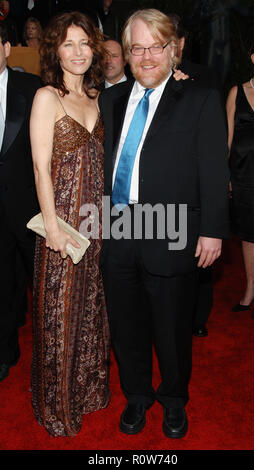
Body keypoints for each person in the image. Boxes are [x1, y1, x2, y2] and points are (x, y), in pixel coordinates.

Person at [99, 8, 229, 438]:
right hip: (117, 228)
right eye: (138, 47)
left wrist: (212, 229)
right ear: (128, 54)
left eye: (156, 46)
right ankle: (137, 396)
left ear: (173, 50)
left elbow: (213, 168)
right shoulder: (111, 99)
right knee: (126, 324)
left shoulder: (201, 98)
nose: (147, 56)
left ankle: (174, 399)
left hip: (172, 230)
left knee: (172, 328)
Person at [30, 11, 110, 437]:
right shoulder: (47, 97)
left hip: (96, 227)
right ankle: (58, 406)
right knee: (58, 316)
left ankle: (88, 391)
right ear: (55, 51)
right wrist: (54, 229)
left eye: (84, 43)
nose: (78, 52)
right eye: (68, 44)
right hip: (62, 229)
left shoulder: (99, 97)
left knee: (90, 311)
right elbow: (41, 169)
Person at [169, 12, 222, 338]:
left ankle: (198, 318)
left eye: (169, 42)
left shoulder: (203, 78)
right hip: (163, 194)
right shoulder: (143, 80)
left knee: (201, 262)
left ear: (182, 43)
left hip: (198, 188)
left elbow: (214, 140)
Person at [0, 22, 42, 382]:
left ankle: (49, 353)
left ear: (7, 48)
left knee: (41, 284)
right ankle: (5, 351)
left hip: (31, 210)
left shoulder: (33, 89)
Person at [227, 36, 254, 320]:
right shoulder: (236, 93)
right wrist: (224, 175)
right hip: (241, 175)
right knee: (247, 236)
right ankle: (251, 286)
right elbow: (227, 139)